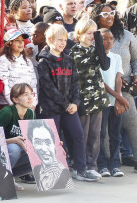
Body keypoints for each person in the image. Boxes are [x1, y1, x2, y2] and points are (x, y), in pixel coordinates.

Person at [90, 3, 137, 174]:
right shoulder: (92, 37)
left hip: (124, 88)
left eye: (112, 13)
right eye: (104, 14)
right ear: (96, 17)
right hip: (101, 92)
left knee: (133, 121)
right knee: (106, 131)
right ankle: (108, 165)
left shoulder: (127, 36)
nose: (109, 16)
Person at [36, 24, 100, 182]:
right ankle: (54, 174)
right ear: (50, 40)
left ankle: (81, 169)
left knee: (78, 135)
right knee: (53, 141)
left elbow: (75, 84)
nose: (63, 43)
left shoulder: (69, 59)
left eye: (64, 40)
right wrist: (66, 104)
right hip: (51, 109)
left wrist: (74, 103)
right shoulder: (43, 62)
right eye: (59, 40)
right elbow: (48, 88)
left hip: (69, 108)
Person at [69, 19, 110, 178]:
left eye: (94, 33)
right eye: (89, 33)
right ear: (79, 34)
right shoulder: (74, 52)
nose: (92, 36)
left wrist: (99, 40)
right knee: (83, 134)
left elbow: (105, 65)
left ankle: (92, 164)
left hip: (97, 97)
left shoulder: (96, 50)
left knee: (95, 133)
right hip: (82, 98)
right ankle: (79, 164)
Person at [0, 83, 36, 188]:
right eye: (25, 95)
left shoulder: (31, 113)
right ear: (15, 99)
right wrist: (13, 140)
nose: (30, 97)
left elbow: (31, 139)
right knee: (14, 148)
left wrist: (53, 144)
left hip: (12, 152)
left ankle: (9, 177)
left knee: (37, 152)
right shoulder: (7, 113)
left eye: (31, 94)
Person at [97, 28, 127, 178]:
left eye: (111, 39)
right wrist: (119, 97)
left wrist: (118, 99)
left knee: (115, 134)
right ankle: (102, 165)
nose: (109, 42)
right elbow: (101, 82)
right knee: (101, 134)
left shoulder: (116, 57)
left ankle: (115, 164)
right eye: (104, 38)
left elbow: (118, 78)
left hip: (115, 101)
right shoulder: (95, 58)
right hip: (102, 102)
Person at [26, 120, 73, 191]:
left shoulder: (64, 175)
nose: (44, 149)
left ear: (54, 144)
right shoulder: (37, 170)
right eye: (38, 142)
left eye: (48, 142)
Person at [0, 29, 37, 107]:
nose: (21, 43)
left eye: (22, 40)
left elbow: (33, 84)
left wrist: (33, 103)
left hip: (27, 104)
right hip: (9, 105)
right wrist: (13, 104)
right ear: (8, 44)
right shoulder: (3, 61)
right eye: (17, 40)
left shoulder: (28, 61)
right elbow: (4, 85)